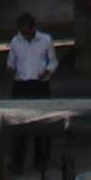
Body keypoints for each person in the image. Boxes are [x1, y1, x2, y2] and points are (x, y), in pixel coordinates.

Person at [6, 11, 59, 171]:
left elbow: (53, 61)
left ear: (33, 28)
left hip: (39, 85)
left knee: (41, 126)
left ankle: (41, 161)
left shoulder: (46, 40)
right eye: (22, 32)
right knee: (19, 126)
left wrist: (47, 71)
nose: (25, 35)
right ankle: (17, 163)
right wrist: (10, 69)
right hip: (21, 85)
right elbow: (11, 62)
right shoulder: (15, 41)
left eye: (27, 32)